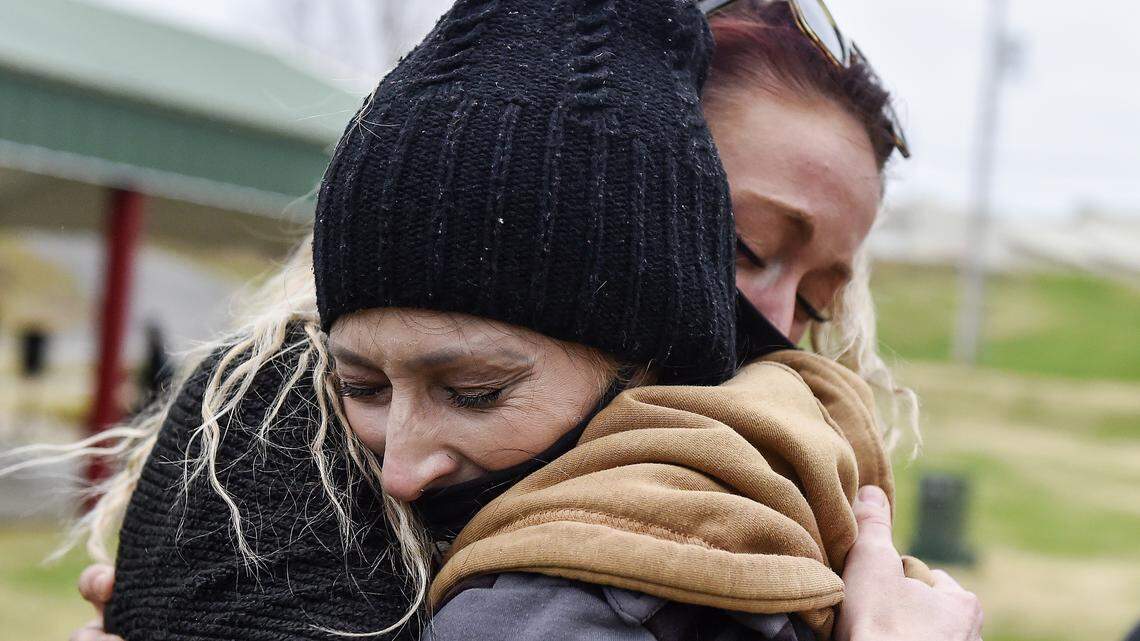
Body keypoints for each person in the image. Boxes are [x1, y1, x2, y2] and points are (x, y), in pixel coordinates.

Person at [62, 1, 981, 639]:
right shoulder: (276, 439)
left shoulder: (765, 466)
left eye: (819, 293)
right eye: (740, 245)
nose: (779, 320)